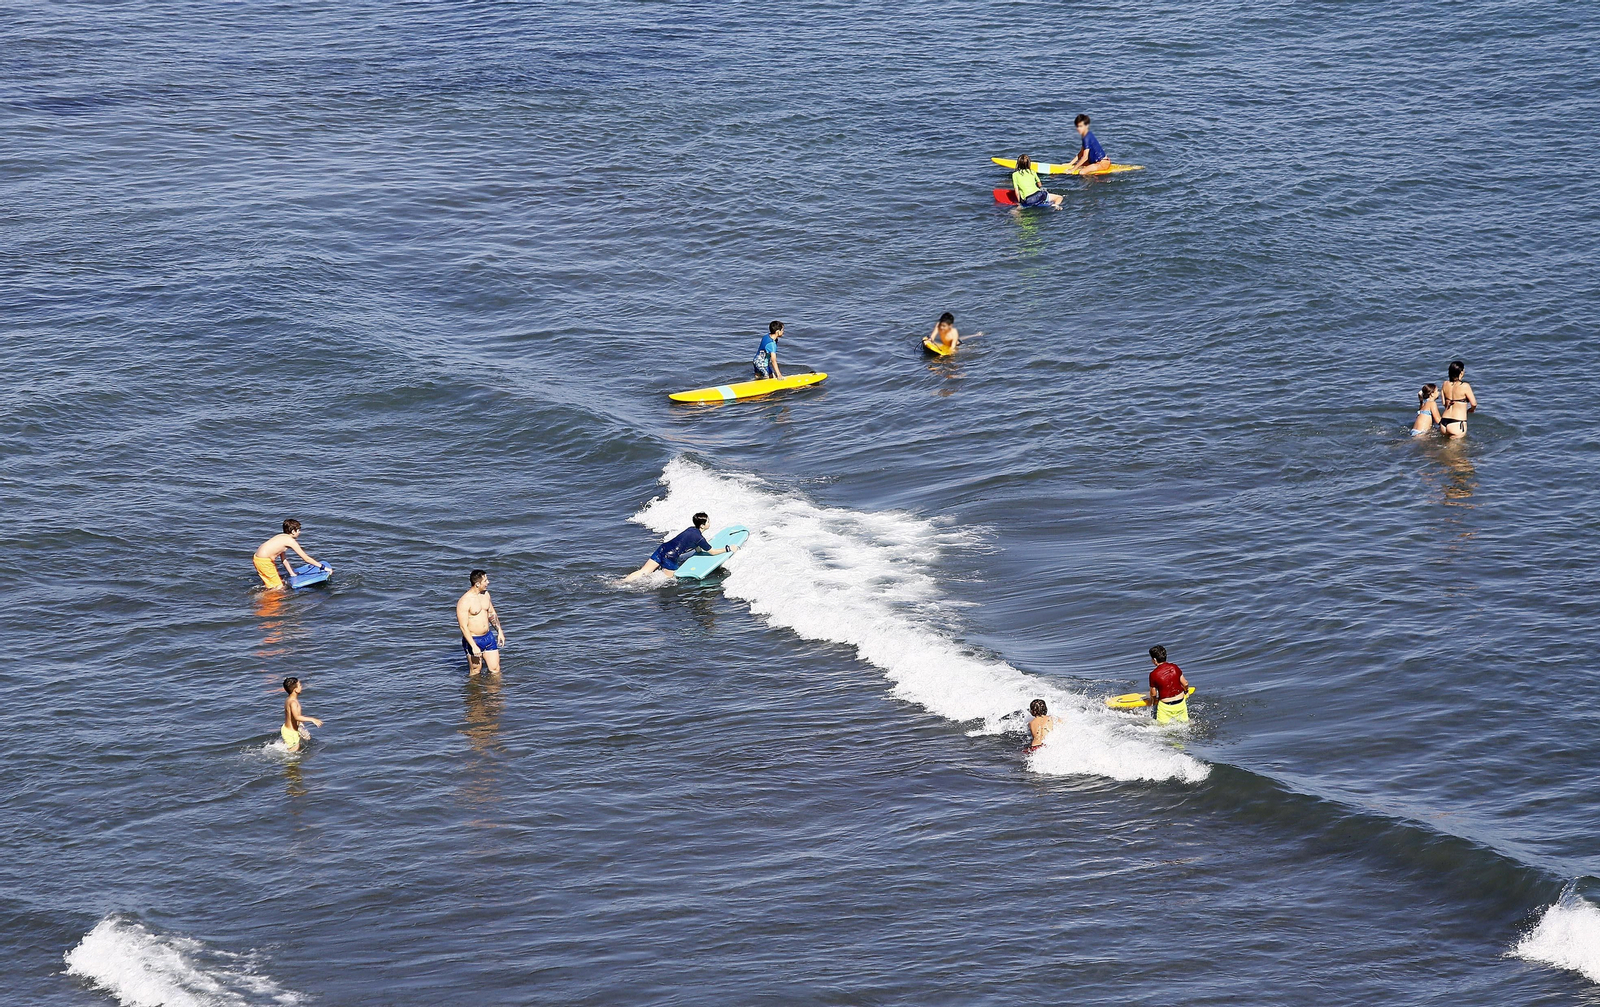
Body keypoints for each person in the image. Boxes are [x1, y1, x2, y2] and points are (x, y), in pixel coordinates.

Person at [624, 512, 739, 581]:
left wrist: (699, 550)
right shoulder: (699, 538)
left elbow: (695, 546)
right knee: (664, 581)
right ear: (703, 525)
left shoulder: (691, 529)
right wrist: (729, 548)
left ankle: (621, 582)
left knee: (643, 572)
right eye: (708, 521)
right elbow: (712, 552)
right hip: (671, 557)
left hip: (662, 548)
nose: (710, 523)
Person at [456, 569, 506, 676]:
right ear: (477, 584)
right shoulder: (465, 601)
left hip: (488, 637)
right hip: (473, 639)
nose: (488, 582)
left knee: (495, 670)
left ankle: (494, 692)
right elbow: (463, 626)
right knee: (475, 672)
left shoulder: (486, 595)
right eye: (485, 580)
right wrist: (473, 645)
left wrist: (500, 631)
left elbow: (491, 613)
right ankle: (475, 693)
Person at [253, 519, 326, 590]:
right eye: (298, 530)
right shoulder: (290, 541)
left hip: (257, 559)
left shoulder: (281, 536)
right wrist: (323, 567)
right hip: (264, 562)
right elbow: (306, 558)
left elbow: (283, 560)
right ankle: (262, 599)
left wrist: (292, 573)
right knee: (279, 588)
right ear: (293, 531)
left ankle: (264, 594)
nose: (300, 532)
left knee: (272, 585)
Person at [1147, 645, 1191, 725]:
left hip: (1165, 707)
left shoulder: (1153, 674)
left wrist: (1152, 702)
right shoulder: (1175, 668)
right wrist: (1186, 691)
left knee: (1162, 727)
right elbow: (1185, 683)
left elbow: (1153, 694)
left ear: (1154, 660)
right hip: (1180, 703)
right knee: (1185, 724)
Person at [280, 677, 322, 752]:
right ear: (295, 689)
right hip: (291, 732)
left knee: (307, 738)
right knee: (294, 751)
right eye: (300, 685)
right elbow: (296, 717)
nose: (301, 687)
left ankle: (284, 746)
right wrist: (312, 719)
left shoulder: (289, 699)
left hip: (289, 729)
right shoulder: (293, 702)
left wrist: (300, 726)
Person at [1439, 359, 1477, 439]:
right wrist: (1472, 409)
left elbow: (1444, 403)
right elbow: (1473, 403)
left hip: (1444, 422)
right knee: (1456, 451)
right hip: (1457, 423)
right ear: (1461, 372)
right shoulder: (1465, 386)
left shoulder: (1445, 384)